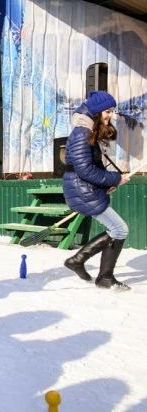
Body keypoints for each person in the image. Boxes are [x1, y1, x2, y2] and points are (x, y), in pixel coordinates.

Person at [62, 91, 131, 291]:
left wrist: (106, 183)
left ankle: (79, 261)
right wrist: (116, 178)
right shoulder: (82, 133)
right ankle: (103, 277)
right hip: (83, 191)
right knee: (119, 229)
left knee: (116, 229)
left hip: (87, 189)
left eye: (111, 111)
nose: (110, 115)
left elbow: (92, 166)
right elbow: (84, 170)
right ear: (96, 111)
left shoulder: (87, 131)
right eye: (107, 111)